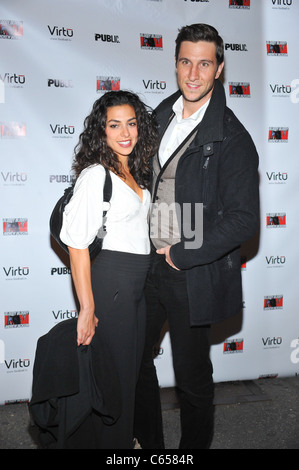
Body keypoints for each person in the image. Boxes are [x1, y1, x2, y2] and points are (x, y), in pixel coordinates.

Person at [134, 24, 259, 449]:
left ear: (219, 69)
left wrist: (184, 254)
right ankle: (148, 448)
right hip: (144, 263)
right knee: (132, 359)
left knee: (191, 378)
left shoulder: (232, 136)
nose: (193, 73)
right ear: (175, 64)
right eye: (186, 61)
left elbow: (244, 220)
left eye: (204, 63)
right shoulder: (159, 116)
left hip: (188, 271)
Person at [31, 90, 158, 449]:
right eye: (114, 125)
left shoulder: (135, 174)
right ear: (100, 132)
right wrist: (87, 308)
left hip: (136, 290)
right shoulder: (96, 176)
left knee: (126, 381)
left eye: (131, 123)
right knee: (110, 386)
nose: (125, 132)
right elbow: (77, 245)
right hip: (110, 288)